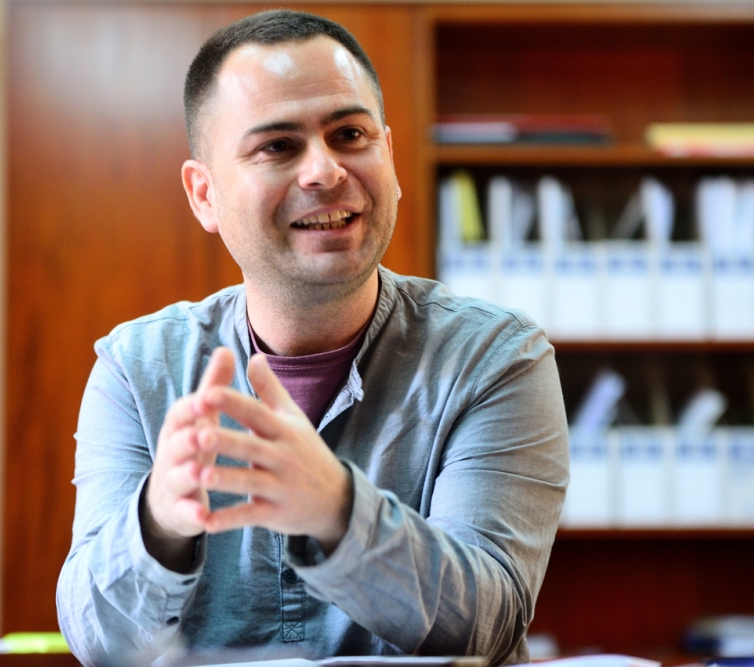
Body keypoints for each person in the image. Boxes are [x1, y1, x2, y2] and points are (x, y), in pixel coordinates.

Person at [57, 9, 569, 667]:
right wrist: (158, 518)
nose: (325, 171)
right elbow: (96, 642)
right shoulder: (136, 368)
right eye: (277, 146)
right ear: (204, 194)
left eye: (350, 134)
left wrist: (336, 507)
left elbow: (487, 625)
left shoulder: (495, 357)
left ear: (389, 156)